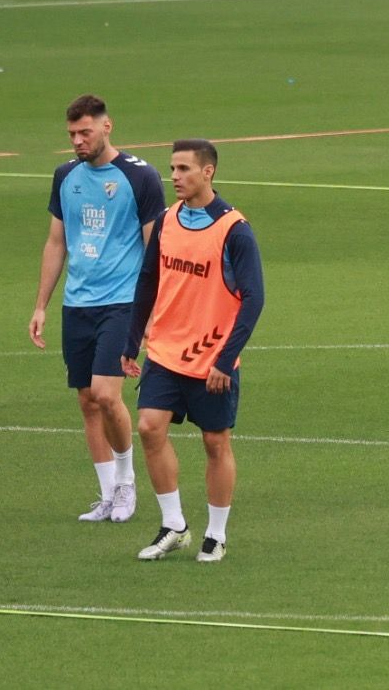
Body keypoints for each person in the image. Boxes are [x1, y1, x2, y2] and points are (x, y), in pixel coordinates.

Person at [123, 139, 264, 562]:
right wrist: (131, 342)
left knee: (215, 443)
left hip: (211, 360)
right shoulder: (167, 220)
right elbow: (148, 280)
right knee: (149, 427)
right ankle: (174, 525)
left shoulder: (234, 230)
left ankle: (216, 534)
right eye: (172, 168)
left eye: (184, 169)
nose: (175, 177)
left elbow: (253, 299)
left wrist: (225, 359)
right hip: (165, 351)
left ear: (208, 172)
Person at [30, 95, 165, 525]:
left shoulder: (139, 177)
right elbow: (57, 242)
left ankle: (127, 484)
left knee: (108, 396)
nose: (77, 141)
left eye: (84, 132)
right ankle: (107, 494)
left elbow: (154, 247)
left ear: (107, 127)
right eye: (71, 134)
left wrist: (152, 314)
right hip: (78, 303)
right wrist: (41, 306)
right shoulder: (65, 176)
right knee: (87, 401)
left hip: (122, 302)